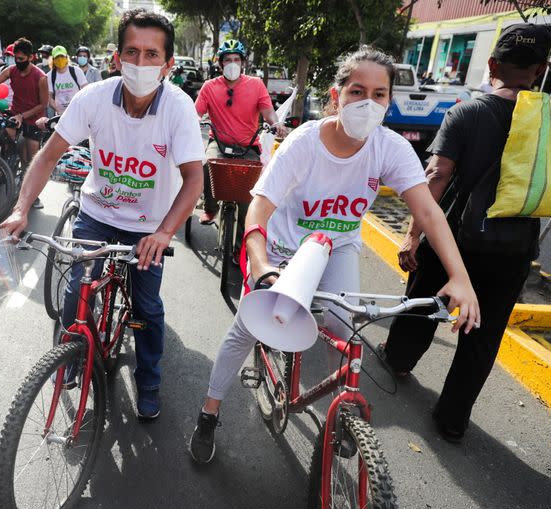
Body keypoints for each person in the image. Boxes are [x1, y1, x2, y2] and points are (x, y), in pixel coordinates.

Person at [188, 46, 481, 464]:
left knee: (345, 331)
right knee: (245, 328)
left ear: (389, 101)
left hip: (338, 248)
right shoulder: (305, 143)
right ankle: (209, 411)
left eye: (379, 94)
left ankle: (338, 413)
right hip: (283, 248)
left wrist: (460, 277)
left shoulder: (390, 148)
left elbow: (429, 212)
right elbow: (260, 208)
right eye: (357, 90)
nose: (368, 102)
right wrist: (259, 263)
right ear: (335, 95)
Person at [0, 9, 205, 419]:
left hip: (149, 226)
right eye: (132, 52)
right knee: (77, 293)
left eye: (151, 55)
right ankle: (73, 357)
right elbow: (47, 156)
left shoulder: (178, 109)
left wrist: (164, 233)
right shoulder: (92, 98)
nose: (141, 63)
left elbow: (194, 180)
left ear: (167, 65)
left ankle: (148, 379)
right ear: (116, 58)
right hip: (96, 214)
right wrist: (21, 208)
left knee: (147, 308)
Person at [379, 24, 551, 443]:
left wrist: (413, 235)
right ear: (541, 70)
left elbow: (437, 175)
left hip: (454, 238)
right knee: (484, 333)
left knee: (422, 301)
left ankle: (399, 360)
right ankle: (453, 419)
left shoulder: (468, 112)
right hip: (514, 249)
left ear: (492, 64)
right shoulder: (546, 121)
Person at [194, 39, 287, 261]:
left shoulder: (256, 85)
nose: (232, 64)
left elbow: (268, 112)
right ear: (220, 64)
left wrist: (276, 124)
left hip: (248, 147)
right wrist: (187, 122)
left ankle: (238, 248)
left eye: (236, 59)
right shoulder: (209, 87)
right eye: (228, 60)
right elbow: (195, 113)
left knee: (248, 198)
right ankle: (210, 207)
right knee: (207, 165)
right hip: (218, 143)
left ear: (243, 63)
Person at [0, 37, 48, 209]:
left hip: (33, 119)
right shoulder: (11, 70)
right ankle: (4, 171)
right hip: (14, 113)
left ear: (31, 57)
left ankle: (33, 195)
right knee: (4, 142)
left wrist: (23, 115)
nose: (17, 62)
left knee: (30, 160)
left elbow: (43, 104)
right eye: (15, 58)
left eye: (21, 59)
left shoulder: (41, 77)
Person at [47, 45, 88, 115]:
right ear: (53, 60)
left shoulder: (76, 71)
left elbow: (86, 90)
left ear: (66, 57)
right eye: (57, 57)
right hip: (60, 115)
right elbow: (49, 98)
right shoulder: (49, 76)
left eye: (62, 56)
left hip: (78, 112)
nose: (60, 59)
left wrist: (81, 106)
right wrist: (58, 110)